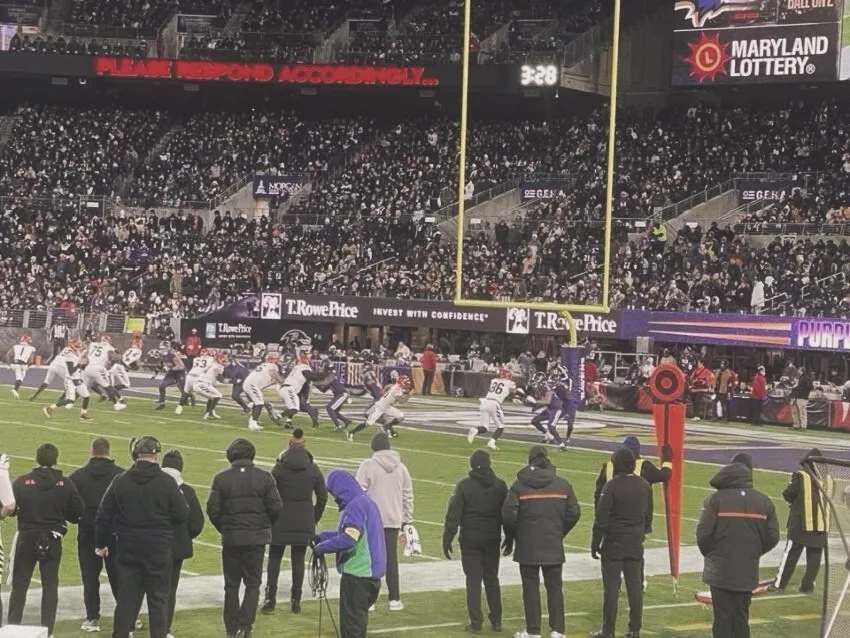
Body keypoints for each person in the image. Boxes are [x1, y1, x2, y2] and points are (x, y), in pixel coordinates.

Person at [95, 436, 189, 638]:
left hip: (129, 546)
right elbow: (182, 513)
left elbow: (103, 515)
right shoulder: (167, 482)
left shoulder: (121, 480)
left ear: (136, 454)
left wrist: (101, 543)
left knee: (126, 599)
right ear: (156, 453)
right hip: (158, 547)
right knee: (158, 599)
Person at [696, 452, 780, 638]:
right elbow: (773, 536)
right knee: (741, 618)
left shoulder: (715, 500)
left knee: (722, 619)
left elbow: (703, 535)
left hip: (719, 571)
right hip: (746, 571)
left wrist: (712, 554)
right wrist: (753, 552)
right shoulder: (764, 501)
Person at [502, 446, 581, 638]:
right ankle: (557, 631)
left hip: (527, 545)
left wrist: (516, 535)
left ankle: (533, 631)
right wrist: (558, 532)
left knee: (530, 587)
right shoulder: (563, 484)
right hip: (553, 543)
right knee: (554, 588)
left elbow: (508, 514)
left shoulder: (519, 486)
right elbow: (574, 513)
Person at [207, 438, 282, 638]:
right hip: (255, 540)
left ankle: (231, 629)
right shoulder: (264, 478)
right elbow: (276, 508)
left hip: (232, 539)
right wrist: (262, 526)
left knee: (231, 585)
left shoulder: (221, 478)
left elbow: (213, 510)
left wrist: (226, 529)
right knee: (252, 583)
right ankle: (245, 626)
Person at [8, 443, 85, 636]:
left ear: (37, 458)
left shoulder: (21, 481)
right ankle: (47, 630)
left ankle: (13, 626)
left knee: (20, 582)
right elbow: (78, 511)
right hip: (53, 537)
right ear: (55, 459)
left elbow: (9, 507)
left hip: (27, 536)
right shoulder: (65, 483)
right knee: (50, 584)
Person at [442, 449, 509, 634]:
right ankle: (497, 620)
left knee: (473, 580)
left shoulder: (464, 486)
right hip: (492, 538)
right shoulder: (501, 486)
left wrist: (447, 537)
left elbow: (453, 514)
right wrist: (510, 537)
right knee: (491, 579)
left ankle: (476, 622)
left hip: (470, 539)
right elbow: (508, 514)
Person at [314, 469, 387, 638]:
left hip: (358, 576)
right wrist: (323, 537)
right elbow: (353, 533)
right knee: (357, 625)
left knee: (352, 629)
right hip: (370, 576)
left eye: (334, 493)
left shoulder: (355, 507)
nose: (335, 498)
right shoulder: (366, 503)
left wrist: (322, 548)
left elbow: (349, 538)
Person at [262, 429, 327, 615]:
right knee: (298, 559)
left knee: (274, 558)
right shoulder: (313, 468)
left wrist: (271, 516)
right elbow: (322, 497)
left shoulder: (279, 468)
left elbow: (268, 495)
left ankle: (270, 599)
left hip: (280, 519)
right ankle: (295, 601)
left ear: (288, 445)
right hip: (303, 520)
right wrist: (313, 518)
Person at [590, 448, 653, 638]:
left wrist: (595, 543)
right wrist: (640, 534)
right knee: (635, 588)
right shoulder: (644, 485)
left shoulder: (612, 486)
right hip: (634, 542)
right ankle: (634, 629)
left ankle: (608, 630)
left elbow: (601, 518)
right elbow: (648, 516)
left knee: (611, 589)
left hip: (614, 543)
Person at [69, 437, 124, 633]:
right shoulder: (121, 475)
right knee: (119, 576)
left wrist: (80, 519)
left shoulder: (78, 476)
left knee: (90, 577)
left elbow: (71, 505)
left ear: (91, 451)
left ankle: (92, 618)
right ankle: (127, 616)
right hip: (114, 533)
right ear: (108, 451)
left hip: (87, 533)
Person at [355, 431, 414, 611]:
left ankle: (370, 600)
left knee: (371, 559)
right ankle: (394, 599)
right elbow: (407, 495)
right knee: (391, 560)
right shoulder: (401, 467)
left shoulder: (368, 466)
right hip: (393, 520)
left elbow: (358, 492)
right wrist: (407, 520)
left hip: (372, 520)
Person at [161, 449, 205, 637]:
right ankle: (164, 629)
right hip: (176, 547)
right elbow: (196, 523)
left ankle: (130, 624)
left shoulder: (152, 486)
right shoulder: (187, 491)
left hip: (150, 545)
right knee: (170, 589)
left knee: (141, 586)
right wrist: (183, 536)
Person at [772, 448, 826, 593]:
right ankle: (807, 586)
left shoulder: (801, 476)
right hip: (821, 524)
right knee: (814, 558)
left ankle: (779, 585)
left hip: (801, 523)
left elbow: (788, 494)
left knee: (791, 554)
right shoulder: (828, 478)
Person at [7, 334, 36, 399]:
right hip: (22, 365)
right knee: (20, 379)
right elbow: (31, 360)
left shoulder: (15, 346)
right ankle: (14, 390)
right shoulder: (32, 348)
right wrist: (28, 366)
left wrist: (9, 364)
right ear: (28, 341)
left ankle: (15, 390)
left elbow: (8, 354)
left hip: (14, 363)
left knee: (20, 379)